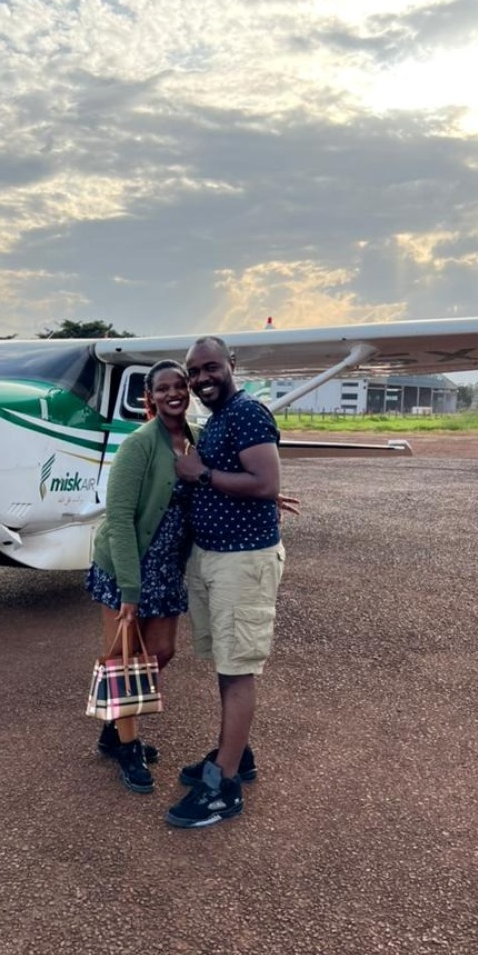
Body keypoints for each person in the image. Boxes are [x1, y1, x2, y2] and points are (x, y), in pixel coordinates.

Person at [168, 335, 297, 828]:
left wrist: (200, 475)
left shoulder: (247, 413)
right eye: (193, 372)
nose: (201, 379)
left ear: (231, 364)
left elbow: (265, 483)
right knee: (226, 660)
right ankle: (234, 754)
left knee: (238, 667)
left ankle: (223, 789)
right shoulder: (220, 419)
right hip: (216, 558)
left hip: (243, 561)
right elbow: (250, 481)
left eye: (209, 368)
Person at [85, 359, 197, 793]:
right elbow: (120, 516)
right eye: (163, 388)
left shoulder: (194, 440)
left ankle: (115, 730)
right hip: (127, 564)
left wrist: (264, 494)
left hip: (167, 568)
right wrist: (129, 589)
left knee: (162, 652)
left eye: (180, 386)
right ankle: (128, 748)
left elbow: (216, 483)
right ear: (149, 398)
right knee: (124, 660)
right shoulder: (138, 445)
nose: (174, 393)